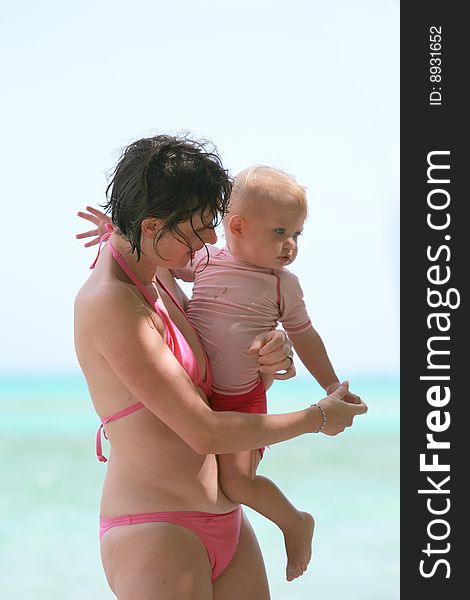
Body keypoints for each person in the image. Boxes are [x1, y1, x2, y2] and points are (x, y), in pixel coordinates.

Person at [75, 134, 367, 599]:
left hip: (227, 515)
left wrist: (271, 358)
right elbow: (204, 431)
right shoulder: (112, 304)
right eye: (198, 228)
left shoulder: (158, 272)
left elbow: (220, 364)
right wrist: (320, 418)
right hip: (158, 528)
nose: (213, 239)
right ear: (152, 227)